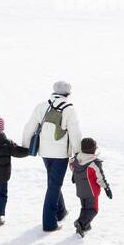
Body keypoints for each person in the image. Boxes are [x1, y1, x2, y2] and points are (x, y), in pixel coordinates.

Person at [21, 81, 83, 232]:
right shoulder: (69, 108)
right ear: (68, 93)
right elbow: (75, 133)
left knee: (53, 182)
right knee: (54, 186)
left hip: (44, 151)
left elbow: (30, 126)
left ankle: (61, 211)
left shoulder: (42, 105)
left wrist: (25, 145)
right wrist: (78, 152)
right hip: (60, 154)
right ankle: (49, 223)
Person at [70, 137, 112, 238]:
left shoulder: (76, 159)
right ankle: (80, 223)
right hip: (91, 192)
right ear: (93, 149)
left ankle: (85, 226)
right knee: (93, 210)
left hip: (80, 190)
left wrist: (74, 176)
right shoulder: (94, 163)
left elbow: (73, 167)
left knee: (85, 208)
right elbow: (100, 178)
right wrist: (107, 188)